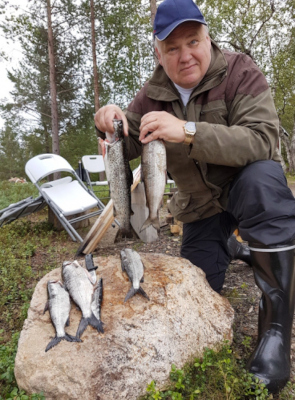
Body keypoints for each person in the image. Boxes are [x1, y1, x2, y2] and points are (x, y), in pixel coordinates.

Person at [94, 0, 295, 393]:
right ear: (159, 53)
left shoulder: (240, 71)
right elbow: (126, 143)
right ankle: (236, 249)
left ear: (207, 36)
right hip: (200, 208)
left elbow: (261, 139)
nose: (185, 55)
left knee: (263, 182)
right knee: (202, 286)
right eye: (172, 48)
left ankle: (275, 329)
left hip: (247, 191)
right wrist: (108, 124)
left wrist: (185, 130)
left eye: (193, 41)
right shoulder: (151, 94)